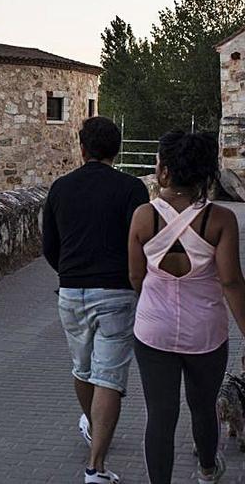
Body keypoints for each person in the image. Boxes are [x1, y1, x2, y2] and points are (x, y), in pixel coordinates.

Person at [128, 131, 245, 483]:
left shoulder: (143, 217)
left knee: (160, 417)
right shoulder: (221, 219)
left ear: (163, 171)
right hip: (206, 332)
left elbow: (135, 276)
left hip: (153, 331)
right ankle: (208, 470)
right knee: (203, 407)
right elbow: (230, 281)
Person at [43, 116, 149, 484]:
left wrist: (71, 273)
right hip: (117, 291)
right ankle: (96, 467)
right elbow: (141, 243)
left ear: (82, 148)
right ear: (117, 150)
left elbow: (49, 247)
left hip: (71, 291)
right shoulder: (133, 189)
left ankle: (93, 423)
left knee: (81, 369)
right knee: (109, 378)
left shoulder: (60, 188)